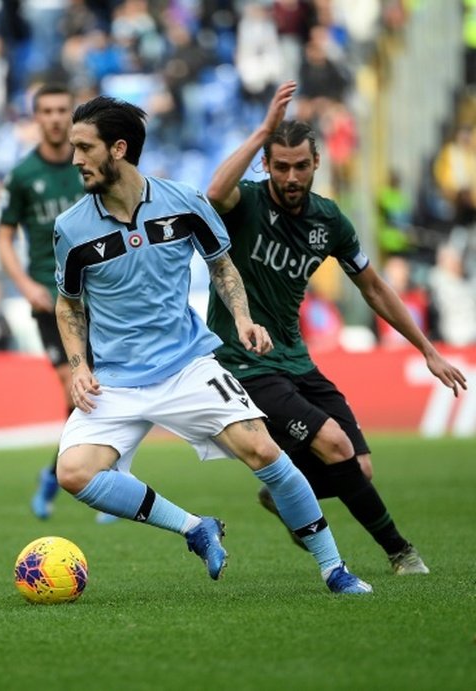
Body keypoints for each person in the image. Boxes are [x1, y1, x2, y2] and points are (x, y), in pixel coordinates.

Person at [52, 94, 372, 594]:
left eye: (84, 148)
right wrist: (78, 365)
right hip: (115, 380)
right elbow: (68, 304)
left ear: (118, 149)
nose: (75, 160)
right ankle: (194, 527)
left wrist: (243, 318)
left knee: (264, 452)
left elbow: (222, 266)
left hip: (186, 366)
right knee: (73, 473)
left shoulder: (184, 202)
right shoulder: (70, 228)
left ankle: (334, 568)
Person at [205, 81, 468, 575]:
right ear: (266, 164)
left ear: (316, 163)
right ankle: (400, 552)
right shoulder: (248, 205)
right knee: (335, 446)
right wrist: (264, 127)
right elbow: (214, 193)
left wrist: (428, 351)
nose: (290, 176)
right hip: (244, 360)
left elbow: (374, 287)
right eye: (280, 165)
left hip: (297, 357)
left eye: (300, 165)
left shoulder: (329, 221)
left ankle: (285, 494)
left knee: (358, 469)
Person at [0, 84, 117, 522]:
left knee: (95, 394)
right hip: (50, 302)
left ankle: (72, 478)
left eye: (62, 110)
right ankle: (91, 478)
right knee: (80, 389)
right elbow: (3, 236)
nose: (54, 118)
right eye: (45, 111)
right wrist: (25, 283)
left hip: (97, 297)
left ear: (72, 115)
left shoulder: (88, 165)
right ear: (36, 116)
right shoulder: (24, 175)